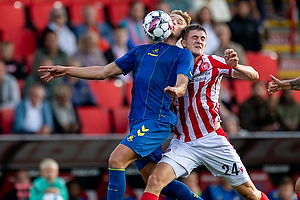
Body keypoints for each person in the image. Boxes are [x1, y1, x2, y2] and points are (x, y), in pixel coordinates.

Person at [39, 10, 204, 200]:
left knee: (116, 160)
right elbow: (103, 71)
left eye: (180, 22)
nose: (174, 22)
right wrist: (67, 70)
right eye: (171, 19)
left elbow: (182, 83)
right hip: (137, 121)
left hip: (157, 121)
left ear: (184, 32)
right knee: (155, 179)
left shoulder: (183, 55)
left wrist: (178, 90)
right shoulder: (140, 51)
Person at [139, 24, 270, 200]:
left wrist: (237, 66)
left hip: (212, 139)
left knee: (250, 194)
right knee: (154, 181)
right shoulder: (172, 65)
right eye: (194, 37)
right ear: (183, 42)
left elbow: (254, 74)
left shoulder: (213, 62)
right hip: (183, 142)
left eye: (202, 39)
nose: (199, 41)